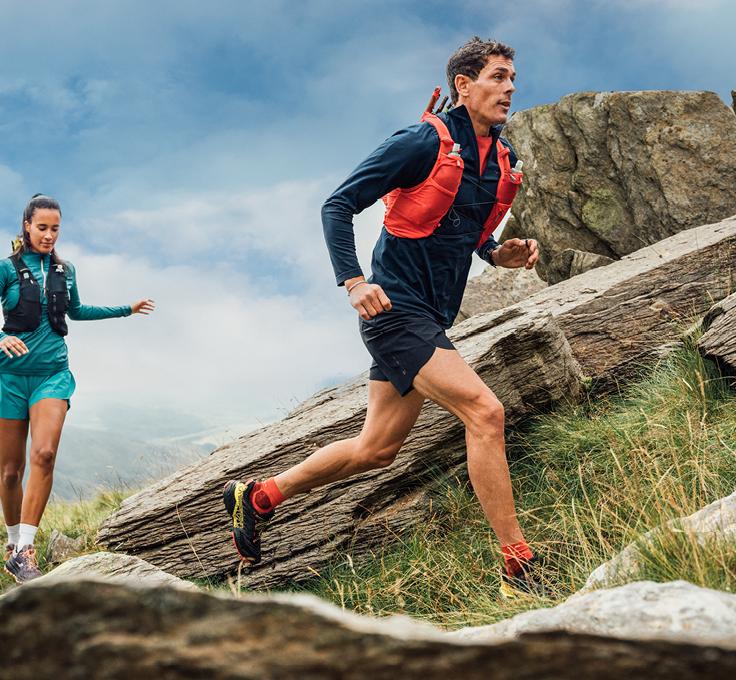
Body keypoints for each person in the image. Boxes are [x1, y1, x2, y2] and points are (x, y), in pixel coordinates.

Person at [224, 38, 553, 598]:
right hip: (394, 310)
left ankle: (258, 497)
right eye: (498, 77)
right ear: (464, 86)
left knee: (377, 449)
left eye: (513, 78)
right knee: (485, 412)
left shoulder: (503, 156)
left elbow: (466, 230)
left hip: (431, 315)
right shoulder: (421, 142)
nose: (511, 88)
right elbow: (337, 204)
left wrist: (499, 254)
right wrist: (354, 282)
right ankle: (519, 563)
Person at [0, 194, 154, 583]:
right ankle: (12, 541)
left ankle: (25, 551)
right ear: (26, 227)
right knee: (10, 472)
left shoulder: (65, 270)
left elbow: (76, 311)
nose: (49, 235)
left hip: (53, 373)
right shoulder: (4, 270)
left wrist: (125, 309)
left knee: (46, 454)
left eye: (55, 228)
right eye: (42, 227)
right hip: (9, 378)